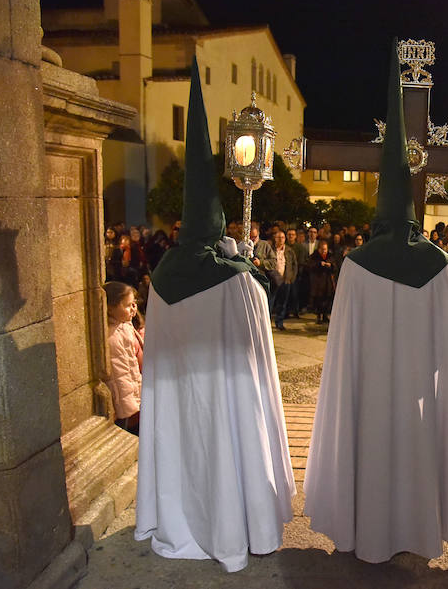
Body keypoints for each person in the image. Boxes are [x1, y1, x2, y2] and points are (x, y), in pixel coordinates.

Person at [304, 40, 448, 564]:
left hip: (367, 398)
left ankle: (366, 532)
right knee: (414, 459)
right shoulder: (442, 266)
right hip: (421, 402)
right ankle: (417, 533)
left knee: (372, 455)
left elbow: (342, 356)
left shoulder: (355, 265)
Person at [135, 60, 294, 572]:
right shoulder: (234, 279)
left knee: (185, 445)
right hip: (227, 394)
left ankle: (179, 521)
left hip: (180, 396)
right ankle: (237, 524)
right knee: (227, 444)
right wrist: (246, 269)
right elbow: (258, 345)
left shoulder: (162, 274)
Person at [103, 281, 142, 434]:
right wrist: (128, 401)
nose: (133, 309)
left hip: (131, 390)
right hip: (121, 397)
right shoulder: (111, 337)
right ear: (110, 308)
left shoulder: (125, 326)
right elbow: (119, 374)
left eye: (134, 304)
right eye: (128, 305)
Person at [269, 229, 297, 331]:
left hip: (285, 281)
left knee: (282, 303)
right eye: (278, 237)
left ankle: (279, 322)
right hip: (273, 280)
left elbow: (294, 265)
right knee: (270, 302)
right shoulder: (270, 250)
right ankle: (266, 323)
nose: (280, 239)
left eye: (282, 237)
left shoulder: (289, 251)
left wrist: (291, 278)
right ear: (275, 238)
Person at [307, 239, 336, 324]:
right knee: (318, 300)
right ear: (319, 249)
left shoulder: (330, 256)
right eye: (322, 249)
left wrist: (331, 265)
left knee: (327, 299)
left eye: (325, 249)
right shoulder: (314, 256)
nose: (324, 251)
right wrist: (319, 264)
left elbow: (335, 267)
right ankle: (319, 316)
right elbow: (309, 266)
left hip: (328, 282)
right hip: (318, 282)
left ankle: (325, 315)